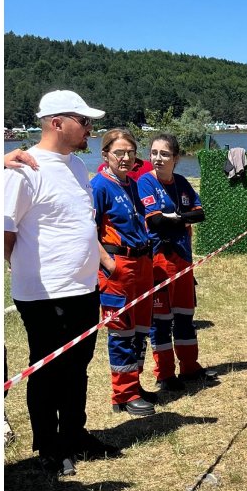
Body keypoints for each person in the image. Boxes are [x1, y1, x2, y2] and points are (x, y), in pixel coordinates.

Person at [4, 90, 108, 477]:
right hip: (46, 294)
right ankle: (48, 446)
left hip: (84, 287)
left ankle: (74, 434)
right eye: (84, 122)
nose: (90, 130)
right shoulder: (24, 168)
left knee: (78, 366)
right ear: (57, 123)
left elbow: (80, 223)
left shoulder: (78, 167)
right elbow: (5, 230)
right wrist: (24, 266)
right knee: (48, 369)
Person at [138, 134, 219, 390]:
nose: (158, 158)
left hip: (183, 258)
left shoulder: (182, 182)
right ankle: (165, 374)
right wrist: (181, 219)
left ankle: (190, 368)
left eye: (164, 154)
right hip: (159, 260)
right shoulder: (145, 182)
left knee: (185, 316)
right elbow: (155, 221)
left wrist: (175, 216)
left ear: (176, 158)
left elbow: (201, 213)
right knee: (161, 321)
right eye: (154, 153)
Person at [93, 129, 156, 416]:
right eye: (119, 152)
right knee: (121, 331)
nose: (126, 157)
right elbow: (87, 232)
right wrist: (109, 265)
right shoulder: (99, 187)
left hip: (142, 264)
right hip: (118, 268)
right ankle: (123, 393)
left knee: (141, 329)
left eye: (130, 152)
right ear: (105, 154)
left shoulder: (132, 185)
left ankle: (135, 384)